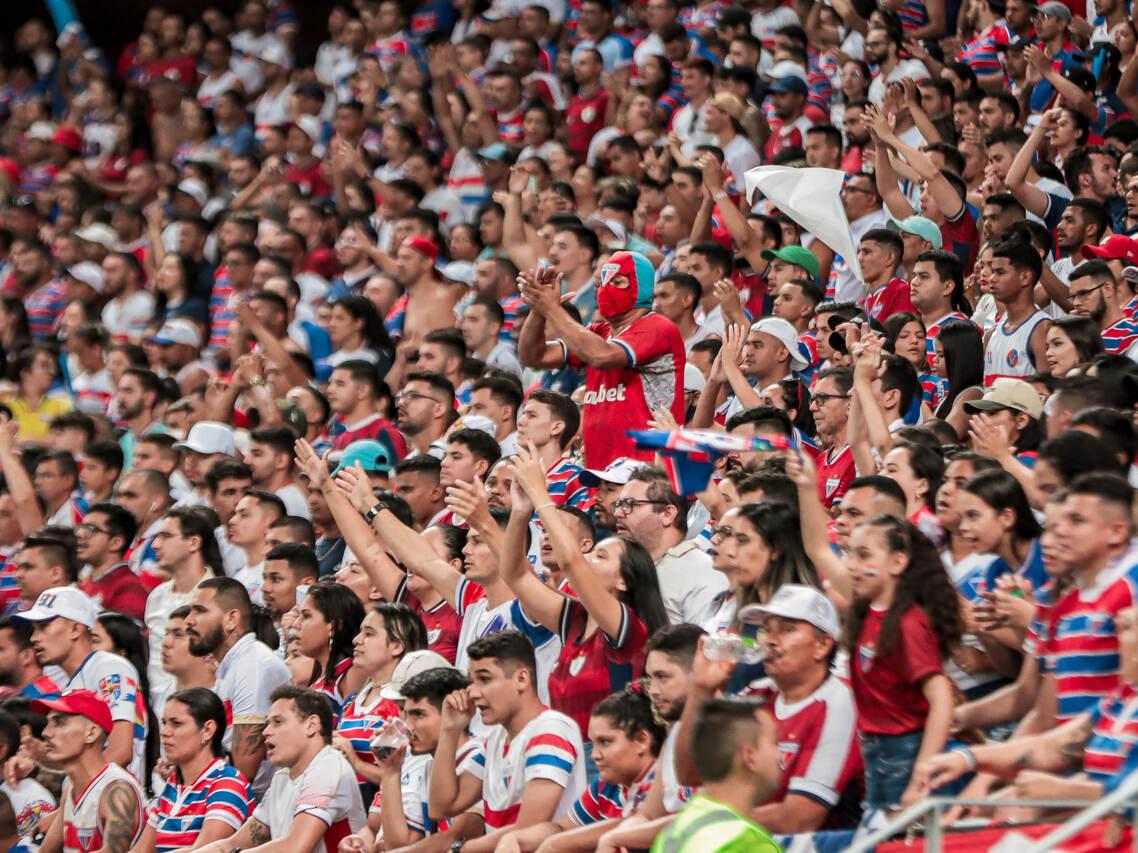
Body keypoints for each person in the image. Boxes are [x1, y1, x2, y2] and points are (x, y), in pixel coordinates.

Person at [501, 443, 668, 752]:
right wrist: (521, 512)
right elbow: (515, 575)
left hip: (608, 757)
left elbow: (572, 562)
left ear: (623, 580)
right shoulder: (575, 621)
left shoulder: (628, 628)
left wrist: (542, 497)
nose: (588, 559)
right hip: (564, 754)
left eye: (600, 556)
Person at [518, 251, 686, 469]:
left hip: (647, 472)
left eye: (618, 282)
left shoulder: (658, 327)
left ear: (642, 287)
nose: (606, 289)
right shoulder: (598, 333)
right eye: (601, 283)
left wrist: (552, 308)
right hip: (598, 472)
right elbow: (533, 356)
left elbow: (601, 356)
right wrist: (539, 311)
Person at [845, 516, 963, 810]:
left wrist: (920, 778)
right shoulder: (866, 615)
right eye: (849, 553)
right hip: (876, 751)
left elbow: (942, 699)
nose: (850, 565)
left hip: (905, 753)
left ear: (897, 563)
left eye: (864, 556)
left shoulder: (908, 624)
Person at [431, 631, 585, 851]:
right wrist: (449, 730)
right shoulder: (496, 738)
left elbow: (528, 833)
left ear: (521, 679)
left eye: (484, 679)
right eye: (472, 681)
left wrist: (463, 849)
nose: (472, 693)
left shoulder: (551, 729)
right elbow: (441, 807)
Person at [193, 685, 366, 853]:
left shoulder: (328, 768)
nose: (266, 732)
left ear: (311, 725)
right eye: (267, 723)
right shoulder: (282, 777)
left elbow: (296, 847)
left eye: (278, 722)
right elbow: (235, 843)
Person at [495, 687, 666, 852]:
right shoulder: (606, 785)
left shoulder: (662, 785)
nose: (594, 755)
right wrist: (515, 838)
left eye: (605, 742)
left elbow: (635, 824)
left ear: (642, 741)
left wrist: (554, 845)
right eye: (593, 744)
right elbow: (562, 827)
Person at [17, 586, 149, 781]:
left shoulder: (108, 667)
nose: (33, 637)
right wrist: (41, 759)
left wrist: (77, 795)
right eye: (34, 629)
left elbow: (121, 751)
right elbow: (84, 764)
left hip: (114, 802)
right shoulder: (76, 682)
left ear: (75, 629)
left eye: (43, 626)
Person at [184, 577, 291, 795]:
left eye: (199, 611)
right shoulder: (232, 666)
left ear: (231, 618)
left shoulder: (253, 665)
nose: (188, 620)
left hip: (260, 804)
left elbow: (246, 768)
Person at [650, 698, 782, 853]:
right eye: (775, 743)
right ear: (750, 756)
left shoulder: (674, 831)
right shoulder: (750, 843)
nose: (780, 755)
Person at [136, 687, 252, 852]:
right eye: (164, 723)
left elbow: (205, 851)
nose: (164, 732)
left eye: (176, 724)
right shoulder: (173, 785)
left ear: (207, 730)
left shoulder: (228, 783)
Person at [32, 689, 145, 853]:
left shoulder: (117, 789)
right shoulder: (71, 787)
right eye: (48, 723)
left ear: (91, 733)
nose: (46, 733)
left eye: (59, 722)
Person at [615, 467, 726, 626]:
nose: (618, 513)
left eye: (629, 504)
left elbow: (702, 648)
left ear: (668, 514)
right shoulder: (625, 568)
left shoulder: (702, 570)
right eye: (618, 504)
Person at [293, 581, 365, 709]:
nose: (296, 624)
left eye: (306, 616)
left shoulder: (353, 672)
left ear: (334, 626)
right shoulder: (319, 677)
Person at [76, 503, 148, 621]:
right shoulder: (83, 586)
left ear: (116, 543)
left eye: (91, 529)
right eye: (81, 527)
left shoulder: (130, 589)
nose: (80, 534)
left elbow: (125, 638)